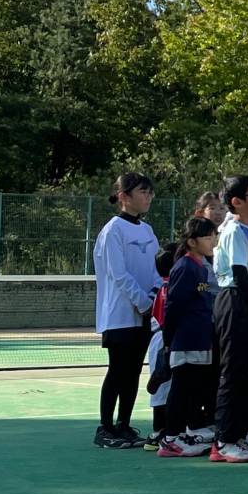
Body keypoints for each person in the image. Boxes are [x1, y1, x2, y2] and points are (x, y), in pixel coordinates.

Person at [92, 172, 163, 450]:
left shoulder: (146, 230)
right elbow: (119, 275)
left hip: (144, 315)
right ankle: (105, 428)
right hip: (119, 315)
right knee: (118, 370)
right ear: (124, 197)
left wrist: (155, 295)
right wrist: (143, 302)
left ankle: (124, 425)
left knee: (133, 371)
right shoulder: (113, 231)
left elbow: (155, 270)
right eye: (142, 192)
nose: (148, 197)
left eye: (150, 192)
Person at [156, 216, 221, 457]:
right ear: (192, 242)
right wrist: (169, 340)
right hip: (185, 340)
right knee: (181, 389)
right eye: (207, 236)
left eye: (214, 235)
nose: (213, 240)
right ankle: (170, 438)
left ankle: (183, 433)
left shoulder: (201, 266)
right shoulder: (185, 267)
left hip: (200, 339)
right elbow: (174, 306)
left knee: (193, 389)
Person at [212, 174, 248, 462]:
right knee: (232, 373)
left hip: (246, 303)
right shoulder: (232, 230)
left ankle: (240, 433)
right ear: (237, 201)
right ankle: (224, 440)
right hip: (234, 303)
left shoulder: (247, 231)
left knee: (246, 372)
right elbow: (241, 276)